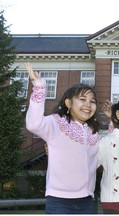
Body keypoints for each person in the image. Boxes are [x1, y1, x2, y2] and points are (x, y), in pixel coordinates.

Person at [25, 62, 108, 214]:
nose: (88, 105)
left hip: (87, 200)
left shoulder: (93, 132)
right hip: (59, 201)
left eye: (92, 101)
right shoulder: (56, 123)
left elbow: (98, 159)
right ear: (69, 103)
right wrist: (39, 87)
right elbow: (33, 124)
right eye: (82, 99)